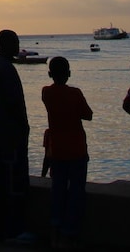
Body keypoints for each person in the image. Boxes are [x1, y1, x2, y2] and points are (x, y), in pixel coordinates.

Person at [0, 29, 34, 244]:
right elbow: (14, 104)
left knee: (0, 180)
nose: (17, 47)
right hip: (9, 135)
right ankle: (12, 230)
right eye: (15, 43)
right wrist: (23, 128)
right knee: (13, 181)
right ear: (6, 44)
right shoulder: (5, 69)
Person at [41, 56, 92, 249]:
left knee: (58, 192)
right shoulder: (75, 93)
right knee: (76, 193)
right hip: (77, 148)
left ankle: (55, 234)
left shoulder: (46, 92)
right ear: (69, 73)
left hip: (57, 150)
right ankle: (69, 234)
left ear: (49, 74)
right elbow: (88, 115)